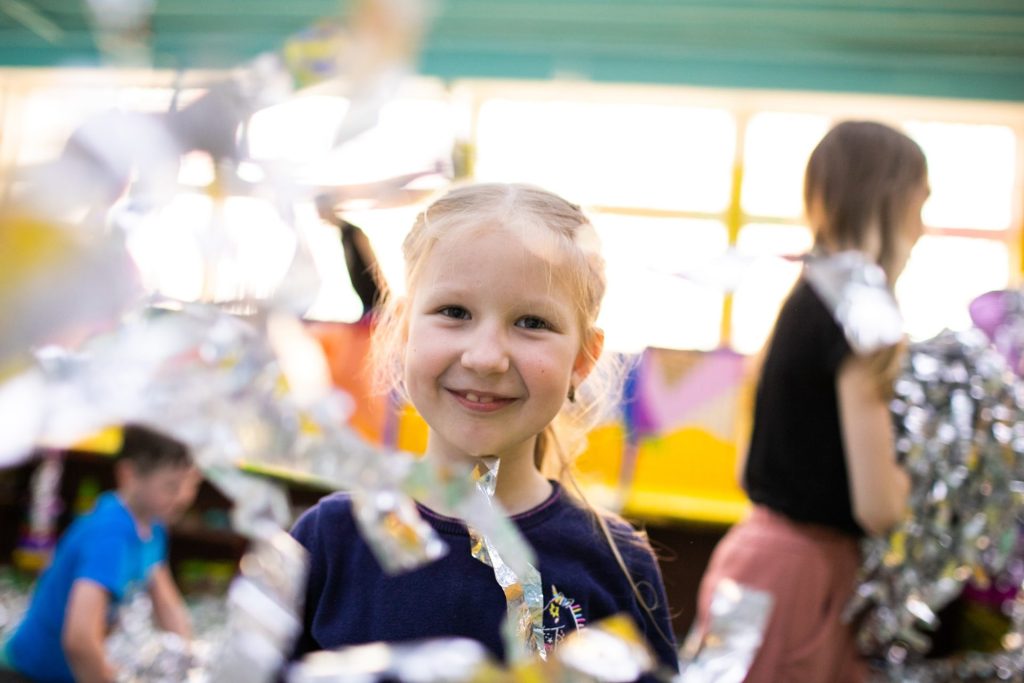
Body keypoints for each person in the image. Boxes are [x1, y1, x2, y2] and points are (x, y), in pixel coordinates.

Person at [290, 183, 679, 673]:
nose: (486, 357)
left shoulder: (617, 563)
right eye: (454, 312)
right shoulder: (330, 541)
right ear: (406, 329)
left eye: (532, 322)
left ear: (583, 357)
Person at [692, 121, 929, 683]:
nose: (922, 226)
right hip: (801, 581)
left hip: (755, 558)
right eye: (920, 204)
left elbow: (746, 461)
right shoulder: (858, 308)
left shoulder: (804, 295)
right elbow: (879, 506)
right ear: (890, 203)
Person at [3, 424, 195, 683]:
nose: (184, 497)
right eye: (171, 486)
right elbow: (80, 640)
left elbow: (166, 602)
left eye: (192, 483)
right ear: (128, 475)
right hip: (27, 674)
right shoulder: (110, 535)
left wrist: (189, 658)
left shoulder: (152, 526)